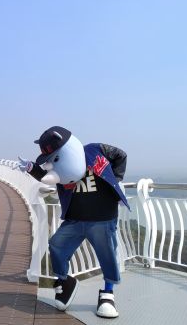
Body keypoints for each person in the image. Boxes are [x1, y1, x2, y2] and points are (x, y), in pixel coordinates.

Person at [15, 126, 129, 318]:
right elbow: (46, 177)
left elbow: (121, 155)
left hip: (102, 218)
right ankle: (65, 281)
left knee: (107, 254)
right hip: (74, 219)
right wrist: (31, 168)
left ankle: (108, 293)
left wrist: (115, 180)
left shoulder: (96, 151)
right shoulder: (59, 168)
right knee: (57, 245)